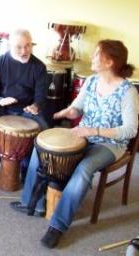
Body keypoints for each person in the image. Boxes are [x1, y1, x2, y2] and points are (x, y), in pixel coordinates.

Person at [10, 39, 139, 248]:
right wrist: (67, 112)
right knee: (41, 148)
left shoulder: (128, 92)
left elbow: (130, 130)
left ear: (110, 61)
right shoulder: (91, 81)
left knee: (84, 168)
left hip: (110, 144)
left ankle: (58, 226)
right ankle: (31, 203)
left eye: (97, 54)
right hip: (82, 135)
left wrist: (94, 130)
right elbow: (77, 108)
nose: (93, 57)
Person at [0, 29, 49, 181]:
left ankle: (26, 167)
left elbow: (41, 94)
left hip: (26, 109)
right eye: (19, 47)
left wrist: (36, 105)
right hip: (1, 108)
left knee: (43, 129)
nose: (24, 50)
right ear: (10, 45)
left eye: (28, 46)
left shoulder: (39, 67)